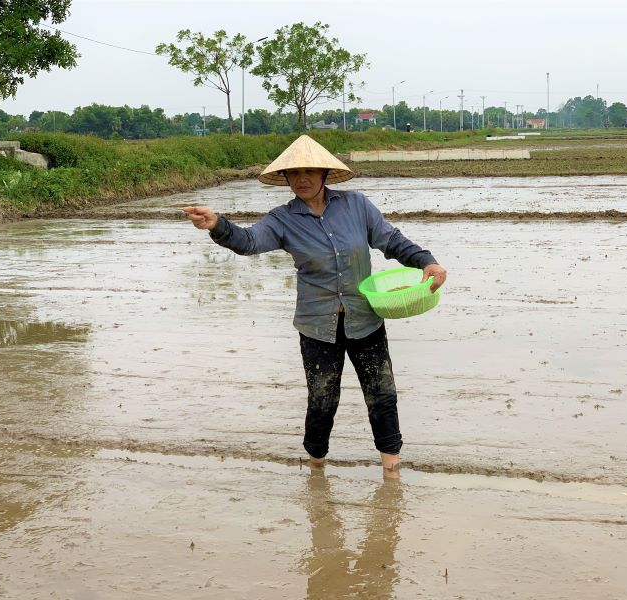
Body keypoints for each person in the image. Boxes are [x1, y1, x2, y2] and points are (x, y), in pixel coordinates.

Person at [182, 135, 447, 477]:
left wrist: (427, 261)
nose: (302, 179)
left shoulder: (356, 206)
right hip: (317, 326)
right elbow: (248, 242)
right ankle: (316, 468)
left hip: (364, 319)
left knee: (382, 393)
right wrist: (217, 225)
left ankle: (391, 472)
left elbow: (391, 240)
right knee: (323, 400)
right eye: (294, 173)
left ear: (324, 174)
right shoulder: (281, 220)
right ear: (287, 179)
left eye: (310, 171)